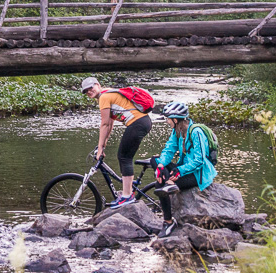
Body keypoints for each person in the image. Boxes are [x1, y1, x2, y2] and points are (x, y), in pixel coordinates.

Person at [81, 76, 153, 208]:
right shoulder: (109, 93)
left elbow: (104, 124)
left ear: (97, 85)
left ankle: (127, 196)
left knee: (124, 157)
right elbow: (110, 124)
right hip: (143, 122)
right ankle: (128, 193)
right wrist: (103, 144)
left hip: (137, 123)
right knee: (124, 156)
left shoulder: (104, 97)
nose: (89, 92)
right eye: (86, 91)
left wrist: (101, 147)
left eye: (90, 88)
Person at [151, 102, 217, 237]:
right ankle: (169, 220)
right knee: (156, 162)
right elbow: (169, 150)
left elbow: (199, 160)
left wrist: (179, 171)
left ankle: (169, 219)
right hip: (184, 169)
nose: (167, 121)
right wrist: (161, 166)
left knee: (161, 184)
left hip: (198, 173)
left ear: (175, 120)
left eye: (168, 119)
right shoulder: (177, 131)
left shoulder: (196, 132)